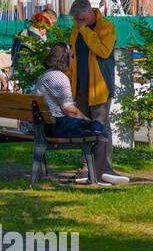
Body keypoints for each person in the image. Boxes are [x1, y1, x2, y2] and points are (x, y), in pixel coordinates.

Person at [67, 0, 127, 186]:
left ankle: (103, 168)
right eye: (76, 20)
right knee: (84, 128)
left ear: (90, 14)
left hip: (100, 88)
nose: (78, 23)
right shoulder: (77, 28)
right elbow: (72, 55)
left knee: (100, 126)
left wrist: (85, 31)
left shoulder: (106, 27)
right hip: (81, 88)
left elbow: (102, 50)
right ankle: (86, 167)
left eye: (81, 19)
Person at [33, 43, 112, 181]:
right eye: (71, 57)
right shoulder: (59, 78)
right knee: (99, 129)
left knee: (94, 127)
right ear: (65, 59)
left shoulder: (46, 75)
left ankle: (93, 170)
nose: (73, 60)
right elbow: (70, 110)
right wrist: (88, 121)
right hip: (54, 127)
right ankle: (99, 172)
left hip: (42, 126)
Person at [9, 9, 56, 89]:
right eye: (52, 23)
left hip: (22, 74)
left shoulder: (22, 33)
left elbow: (13, 53)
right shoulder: (35, 39)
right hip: (32, 77)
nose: (51, 26)